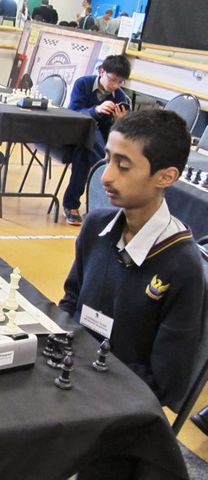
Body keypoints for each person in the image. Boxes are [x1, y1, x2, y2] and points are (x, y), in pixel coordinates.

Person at [59, 110, 205, 408]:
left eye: (123, 166)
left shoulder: (182, 266)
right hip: (71, 376)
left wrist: (91, 370)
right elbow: (71, 302)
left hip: (120, 404)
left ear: (166, 177)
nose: (107, 176)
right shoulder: (96, 225)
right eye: (109, 158)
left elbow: (166, 383)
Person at [62, 54, 131, 226]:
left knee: (84, 151)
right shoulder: (83, 84)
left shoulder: (120, 97)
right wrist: (96, 110)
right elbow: (73, 113)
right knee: (89, 133)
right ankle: (107, 166)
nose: (115, 85)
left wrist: (120, 121)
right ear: (101, 71)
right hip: (73, 134)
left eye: (120, 82)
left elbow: (119, 134)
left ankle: (72, 204)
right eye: (113, 79)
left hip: (96, 143)